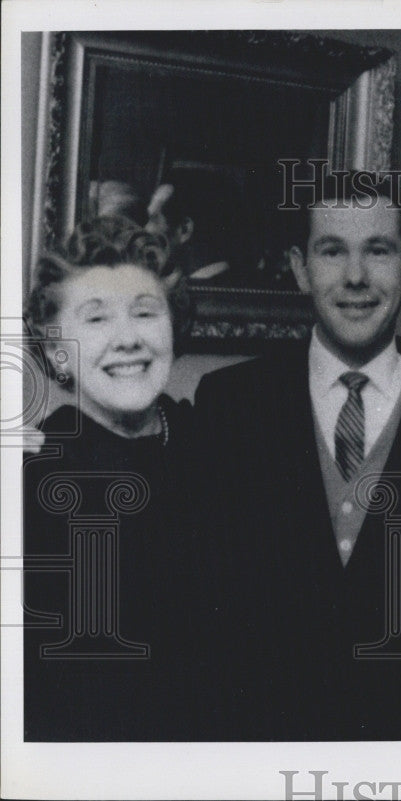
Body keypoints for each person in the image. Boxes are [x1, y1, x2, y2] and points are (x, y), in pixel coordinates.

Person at [193, 172, 401, 740]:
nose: (356, 277)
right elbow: (204, 611)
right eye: (332, 251)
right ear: (299, 267)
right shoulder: (230, 405)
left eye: (379, 250)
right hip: (263, 750)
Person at [21, 215, 209, 740]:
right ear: (58, 350)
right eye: (97, 320)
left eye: (145, 313)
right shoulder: (34, 480)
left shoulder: (221, 450)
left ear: (173, 327)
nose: (127, 339)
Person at [145, 168, 241, 283]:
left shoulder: (194, 296)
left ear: (184, 230)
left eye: (152, 219)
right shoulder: (241, 285)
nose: (145, 230)